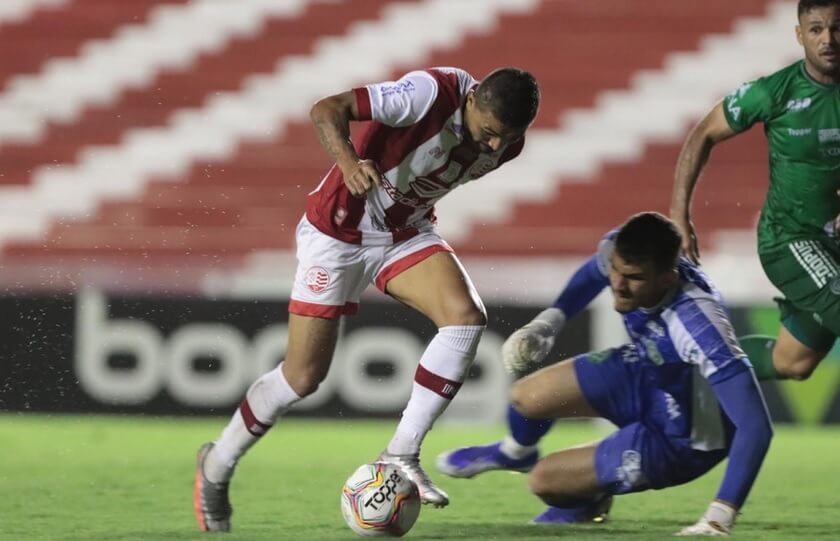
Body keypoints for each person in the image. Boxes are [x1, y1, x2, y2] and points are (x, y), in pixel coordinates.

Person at [193, 66, 540, 531]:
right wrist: (349, 162)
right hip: (336, 233)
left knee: (464, 317)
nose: (498, 146)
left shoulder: (506, 144)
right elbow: (326, 109)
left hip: (403, 234)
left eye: (509, 136)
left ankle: (402, 453)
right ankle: (216, 465)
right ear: (472, 100)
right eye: (492, 132)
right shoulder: (427, 93)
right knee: (302, 376)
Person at [437, 212, 773, 536]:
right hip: (646, 372)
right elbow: (591, 273)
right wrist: (549, 322)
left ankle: (588, 501)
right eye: (616, 271)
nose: (619, 286)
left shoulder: (698, 324)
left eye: (635, 278)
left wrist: (719, 516)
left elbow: (755, 426)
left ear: (668, 278)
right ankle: (515, 451)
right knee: (525, 397)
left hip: (683, 434)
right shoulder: (621, 252)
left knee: (545, 482)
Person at [670, 0, 840, 382]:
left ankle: (679, 368)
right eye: (816, 29)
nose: (827, 39)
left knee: (791, 361)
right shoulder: (775, 92)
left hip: (835, 245)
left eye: (836, 28)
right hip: (790, 240)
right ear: (800, 35)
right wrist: (679, 215)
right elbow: (704, 133)